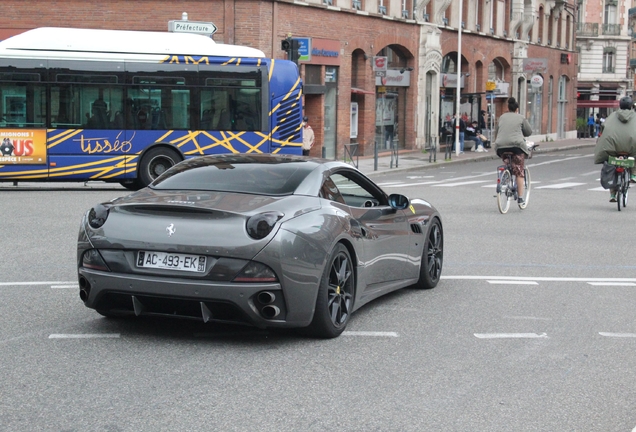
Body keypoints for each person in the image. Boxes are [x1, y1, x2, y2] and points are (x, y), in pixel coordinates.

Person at [594, 96, 636, 202]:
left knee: (612, 165)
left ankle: (612, 195)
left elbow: (604, 126)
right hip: (630, 146)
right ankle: (633, 174)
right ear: (631, 106)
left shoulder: (613, 116)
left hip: (613, 147)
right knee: (634, 156)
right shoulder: (635, 116)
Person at [494, 97, 533, 206]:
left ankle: (503, 178)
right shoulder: (520, 117)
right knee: (519, 171)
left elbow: (498, 130)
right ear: (517, 109)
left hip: (500, 146)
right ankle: (520, 198)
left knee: (507, 161)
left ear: (508, 108)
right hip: (516, 146)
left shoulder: (502, 117)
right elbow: (528, 131)